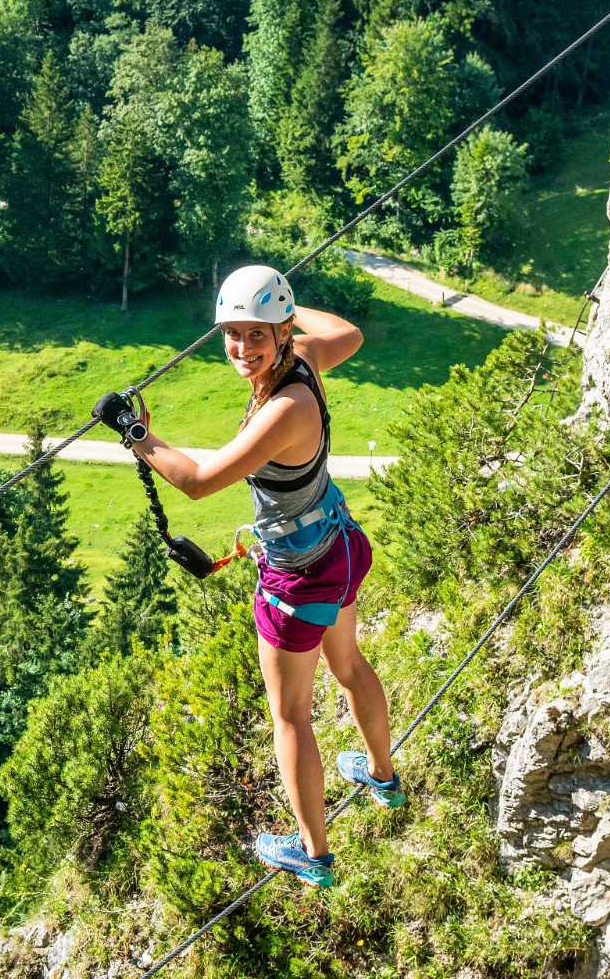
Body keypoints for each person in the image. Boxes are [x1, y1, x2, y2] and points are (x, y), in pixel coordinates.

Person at [92, 264, 403, 889]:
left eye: (256, 333)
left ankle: (314, 854)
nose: (241, 347)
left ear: (282, 332)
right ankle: (383, 777)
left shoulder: (284, 408)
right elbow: (348, 334)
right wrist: (284, 310)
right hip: (338, 547)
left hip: (299, 579)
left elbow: (200, 482)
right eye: (232, 333)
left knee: (291, 717)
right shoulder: (304, 360)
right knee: (348, 665)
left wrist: (135, 433)